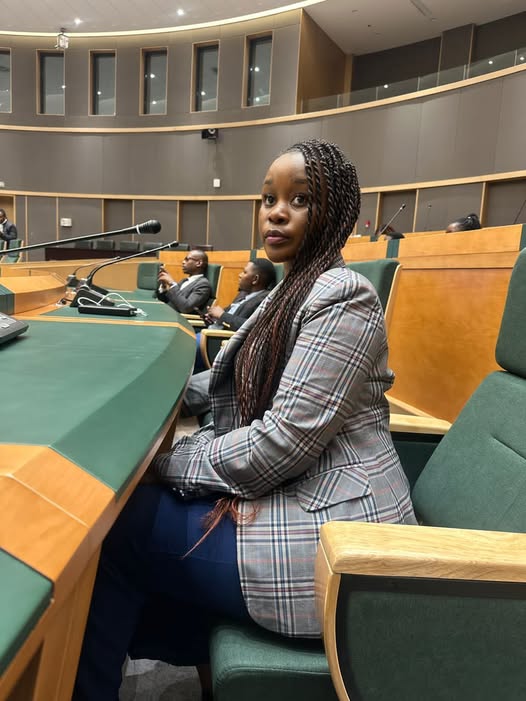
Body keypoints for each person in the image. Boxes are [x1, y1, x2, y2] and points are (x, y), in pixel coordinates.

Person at [73, 138, 416, 701]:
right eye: (268, 199)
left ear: (335, 213)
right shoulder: (290, 291)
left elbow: (278, 445)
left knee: (117, 531)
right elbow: (237, 383)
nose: (276, 212)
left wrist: (165, 463)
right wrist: (154, 395)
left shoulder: (344, 296)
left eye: (299, 199)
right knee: (135, 523)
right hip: (295, 497)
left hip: (333, 536)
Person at [203, 258, 276, 331]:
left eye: (244, 272)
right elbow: (227, 314)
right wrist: (213, 317)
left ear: (255, 279)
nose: (240, 275)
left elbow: (253, 326)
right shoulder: (243, 294)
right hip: (212, 331)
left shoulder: (264, 300)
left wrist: (222, 315)